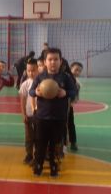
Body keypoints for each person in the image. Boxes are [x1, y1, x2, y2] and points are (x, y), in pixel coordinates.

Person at [29, 48, 77, 177]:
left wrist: (65, 92)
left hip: (59, 117)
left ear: (60, 61)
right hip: (42, 117)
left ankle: (54, 166)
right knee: (40, 143)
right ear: (45, 62)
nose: (53, 62)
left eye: (56, 59)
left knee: (55, 144)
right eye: (50, 59)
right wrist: (36, 92)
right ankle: (38, 165)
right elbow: (31, 91)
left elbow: (74, 92)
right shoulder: (40, 77)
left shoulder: (65, 77)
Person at [19, 58, 38, 165]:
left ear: (38, 69)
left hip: (40, 116)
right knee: (29, 137)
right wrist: (23, 114)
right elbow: (22, 100)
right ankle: (29, 154)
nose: (31, 73)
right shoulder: (25, 84)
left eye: (33, 70)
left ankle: (38, 155)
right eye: (28, 70)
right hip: (29, 115)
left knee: (39, 136)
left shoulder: (42, 82)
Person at [68, 62, 83, 151]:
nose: (77, 72)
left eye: (79, 71)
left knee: (70, 124)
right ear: (70, 68)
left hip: (68, 107)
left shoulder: (77, 84)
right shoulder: (65, 78)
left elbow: (76, 98)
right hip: (60, 106)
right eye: (76, 69)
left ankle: (73, 142)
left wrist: (71, 103)